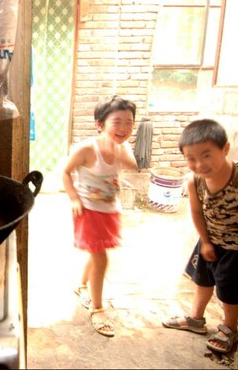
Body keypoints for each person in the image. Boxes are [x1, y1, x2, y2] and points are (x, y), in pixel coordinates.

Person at [162, 119, 238, 354]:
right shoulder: (194, 181)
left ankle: (229, 328)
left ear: (225, 149)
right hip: (209, 242)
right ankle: (195, 319)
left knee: (229, 290)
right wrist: (206, 241)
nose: (199, 164)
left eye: (207, 155)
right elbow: (197, 212)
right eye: (191, 158)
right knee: (202, 281)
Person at [62, 95, 138, 337]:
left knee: (97, 253)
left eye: (129, 122)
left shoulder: (122, 147)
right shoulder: (86, 149)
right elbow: (65, 172)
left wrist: (118, 148)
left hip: (109, 209)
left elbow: (134, 165)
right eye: (117, 122)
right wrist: (74, 198)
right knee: (101, 259)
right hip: (88, 210)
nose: (124, 128)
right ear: (100, 123)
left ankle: (81, 286)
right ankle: (97, 308)